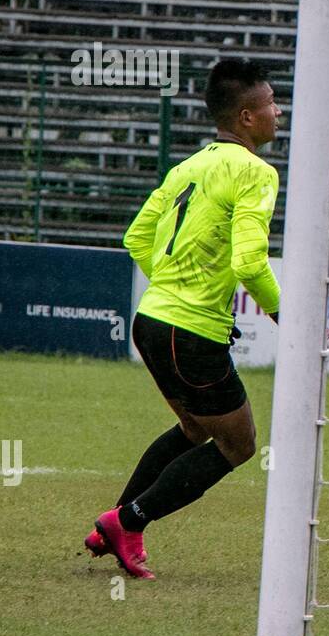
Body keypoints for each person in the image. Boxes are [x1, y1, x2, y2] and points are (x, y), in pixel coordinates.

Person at [84, 58, 282, 579]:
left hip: (151, 320)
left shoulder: (187, 167)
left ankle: (113, 525)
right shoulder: (256, 171)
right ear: (245, 116)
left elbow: (135, 240)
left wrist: (172, 285)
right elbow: (249, 262)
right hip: (189, 328)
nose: (278, 112)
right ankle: (129, 519)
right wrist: (289, 316)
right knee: (238, 445)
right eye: (269, 105)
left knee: (194, 427)